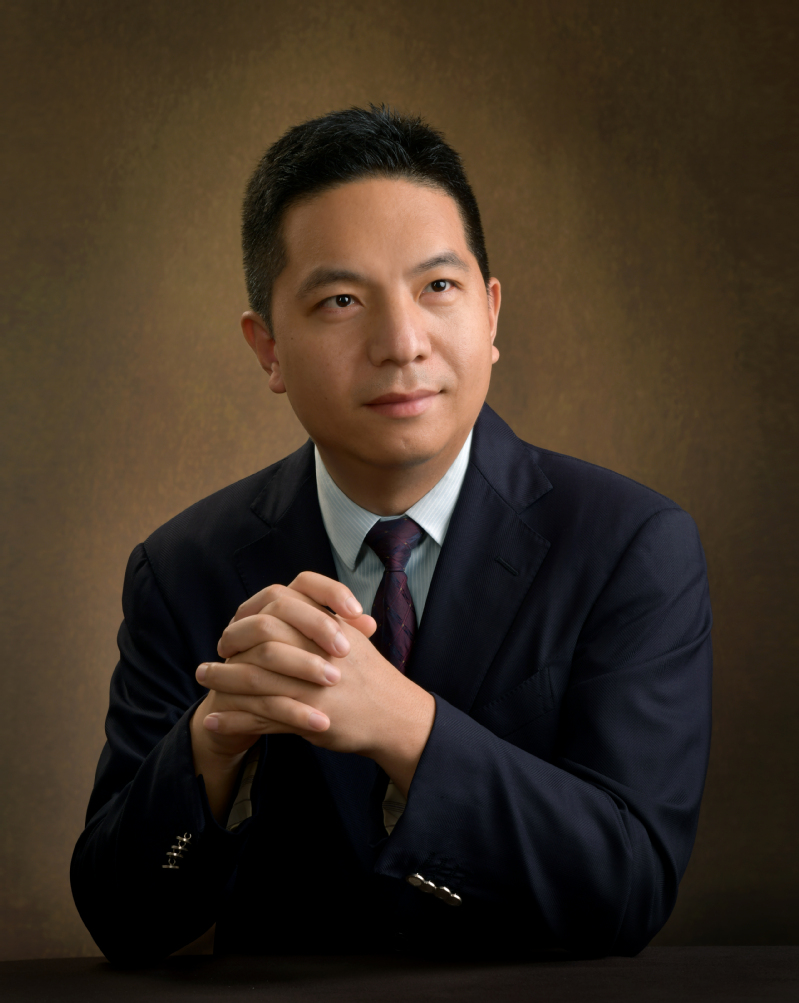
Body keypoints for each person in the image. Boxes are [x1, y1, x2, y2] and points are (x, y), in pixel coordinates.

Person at [70, 106, 712, 965]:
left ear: (489, 314)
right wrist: (208, 745)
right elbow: (120, 920)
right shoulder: (183, 567)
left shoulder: (632, 544)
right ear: (267, 348)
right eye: (341, 300)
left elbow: (629, 890)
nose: (402, 344)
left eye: (437, 287)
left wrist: (408, 726)